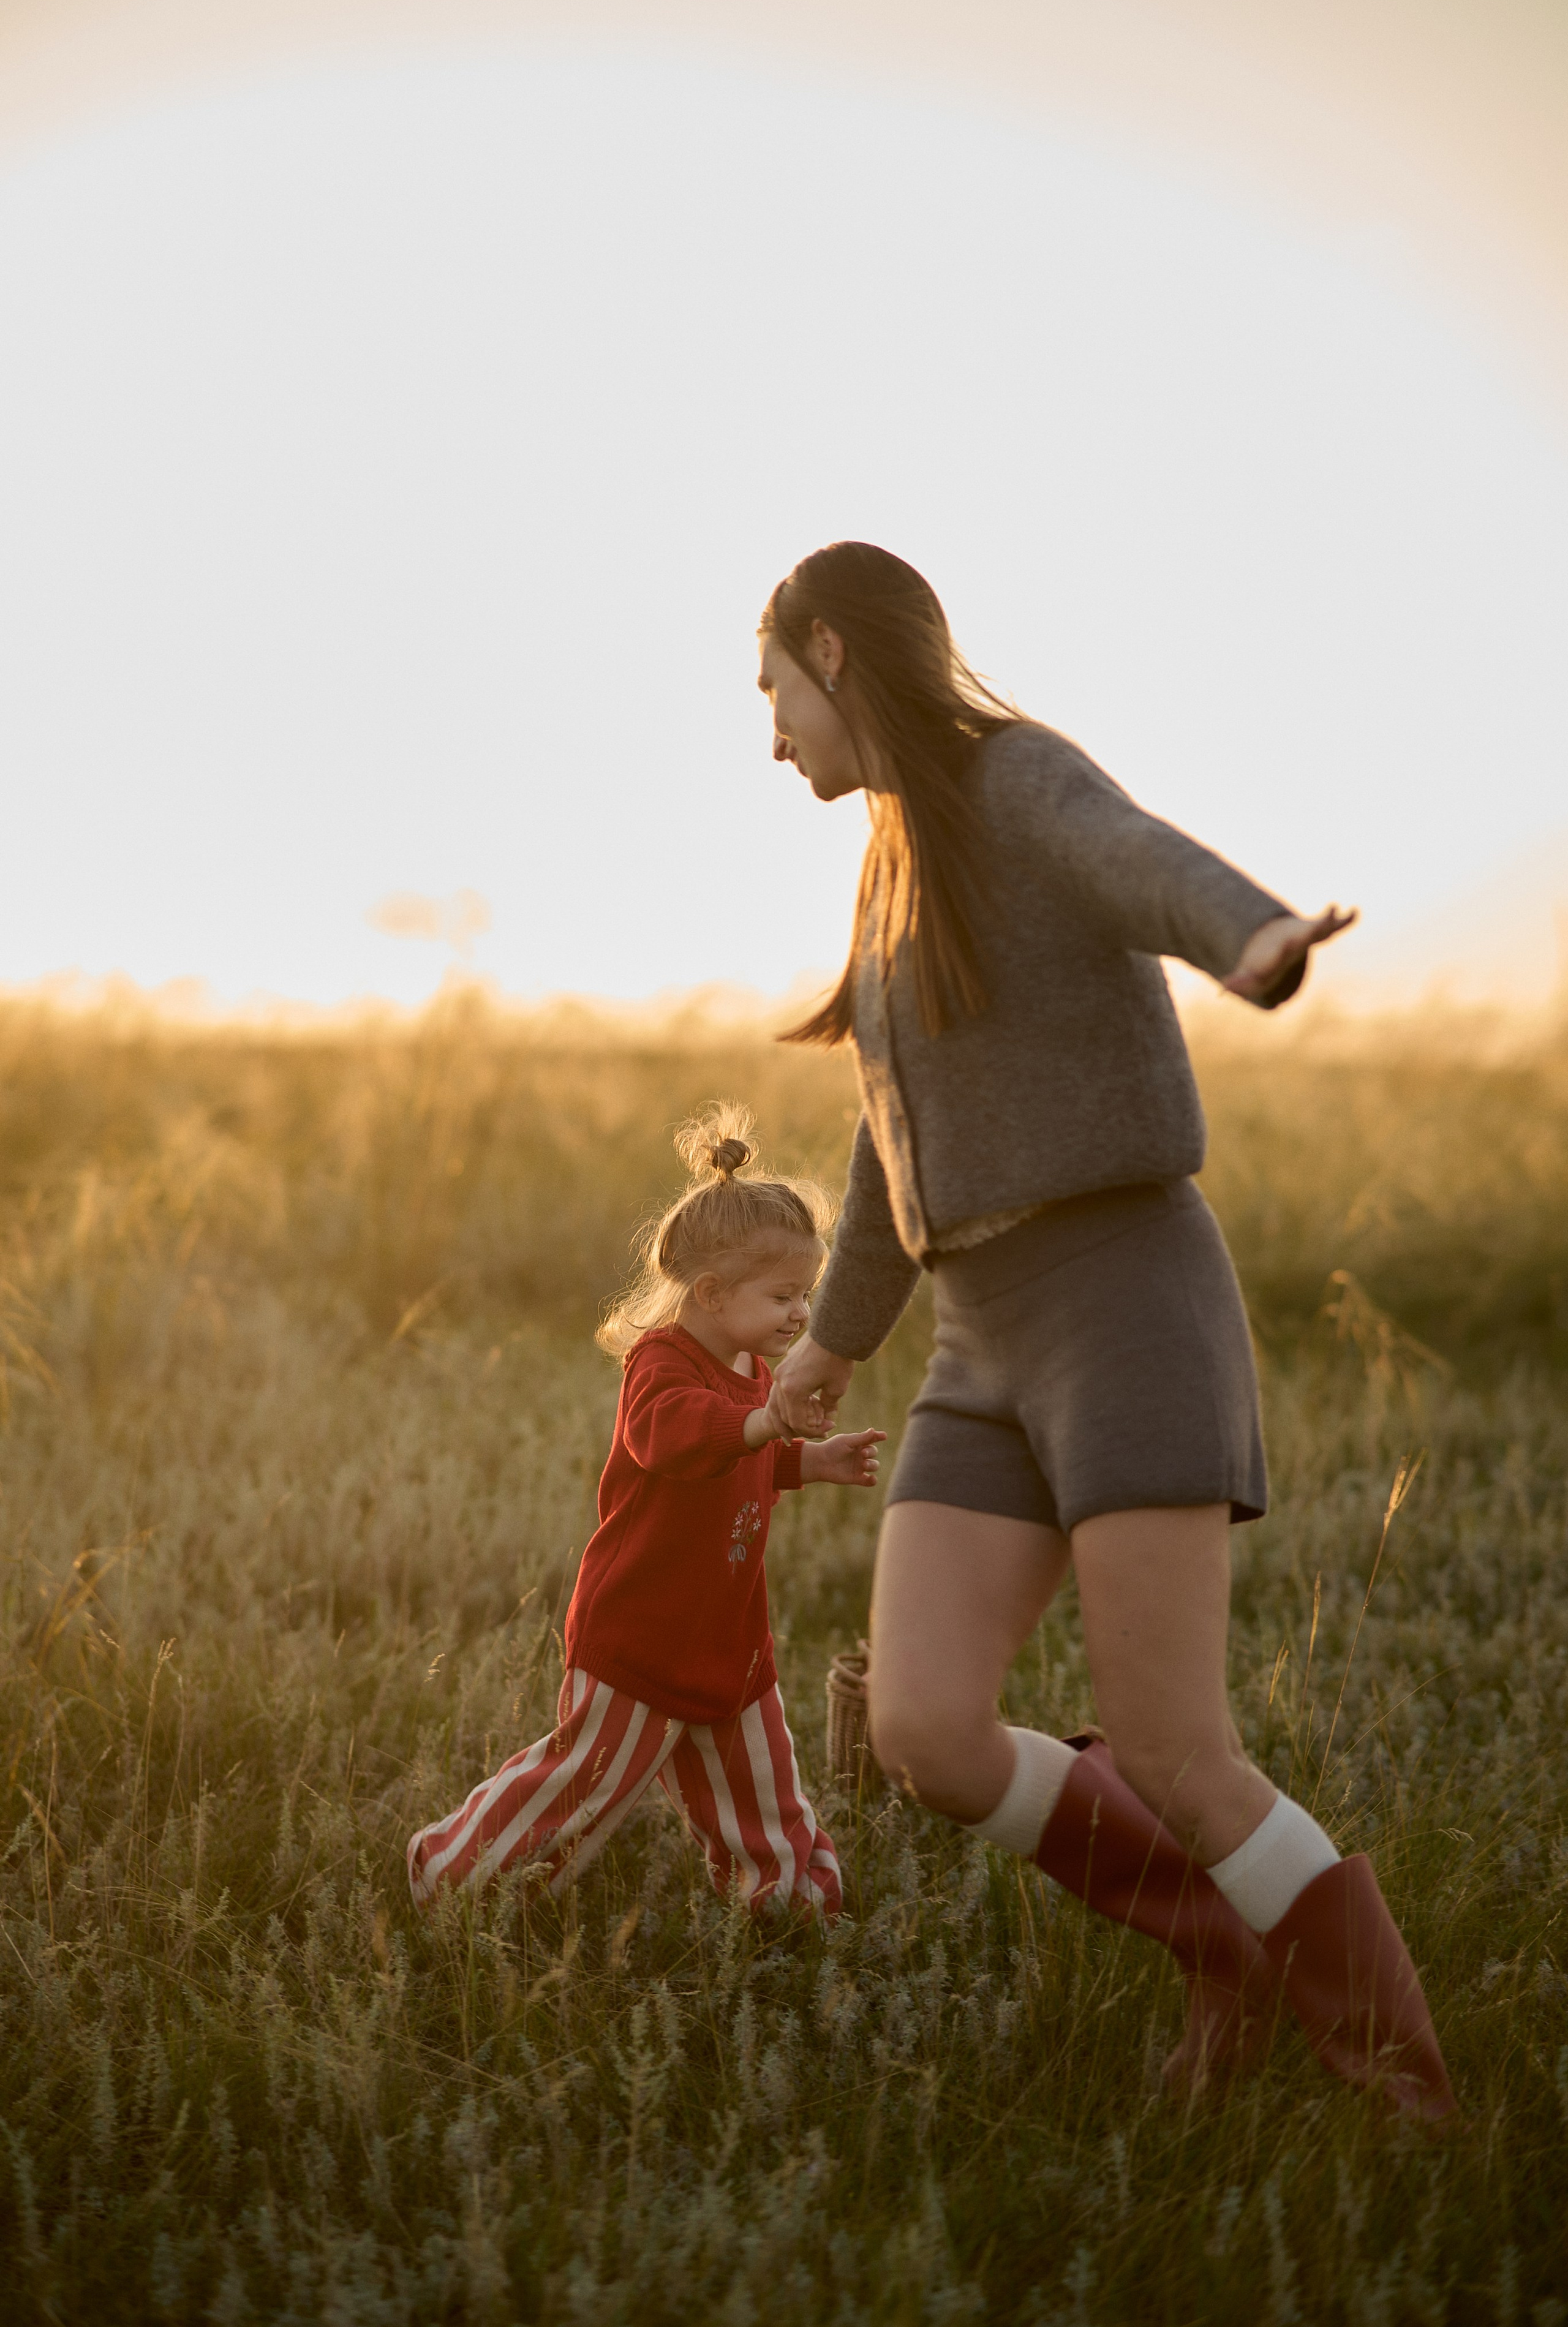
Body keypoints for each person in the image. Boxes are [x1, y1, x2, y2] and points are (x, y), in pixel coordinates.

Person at [758, 541, 1454, 2119]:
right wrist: (833, 1343)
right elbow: (888, 1134)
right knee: (924, 1728)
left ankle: (1401, 2086)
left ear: (832, 654)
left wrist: (1250, 937)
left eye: (773, 689)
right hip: (975, 1345)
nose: (770, 730)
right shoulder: (889, 862)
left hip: (1122, 1300)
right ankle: (1227, 1944)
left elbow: (1130, 854)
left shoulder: (1013, 782)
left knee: (1173, 1750)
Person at [407, 1106, 883, 1920]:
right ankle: (457, 1877)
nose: (800, 1313)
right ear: (710, 1291)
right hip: (641, 1636)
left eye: (806, 1292)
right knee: (583, 1783)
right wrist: (769, 1425)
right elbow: (676, 1439)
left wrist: (808, 1460)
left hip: (729, 1636)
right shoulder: (659, 1364)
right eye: (783, 1295)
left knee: (765, 1792)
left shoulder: (748, 1364)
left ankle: (794, 1910)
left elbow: (743, 1461)